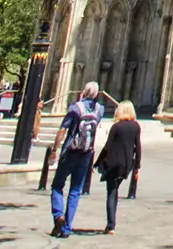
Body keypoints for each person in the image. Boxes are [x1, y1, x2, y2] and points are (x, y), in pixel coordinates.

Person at [50, 81, 107, 238]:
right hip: (86, 153)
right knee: (75, 190)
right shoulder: (100, 110)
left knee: (57, 185)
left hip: (70, 151)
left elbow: (63, 129)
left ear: (84, 92)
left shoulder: (75, 108)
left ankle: (58, 216)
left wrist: (54, 150)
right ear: (96, 94)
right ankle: (67, 228)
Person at [94, 99, 142, 236]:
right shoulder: (136, 126)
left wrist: (97, 162)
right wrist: (137, 167)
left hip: (113, 163)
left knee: (111, 192)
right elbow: (138, 147)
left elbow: (107, 147)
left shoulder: (116, 127)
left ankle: (111, 225)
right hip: (126, 165)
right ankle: (111, 223)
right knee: (114, 191)